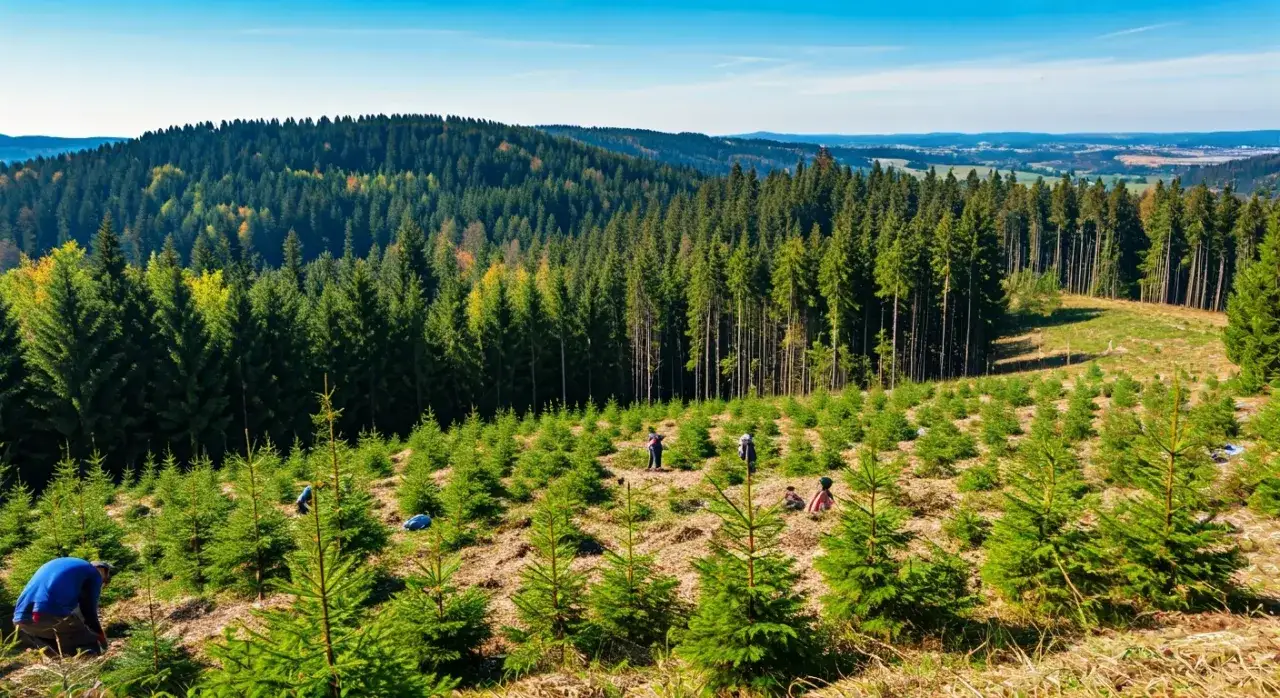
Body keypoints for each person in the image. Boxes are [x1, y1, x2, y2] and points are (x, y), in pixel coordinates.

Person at [13, 558, 113, 656]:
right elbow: (88, 611)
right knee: (87, 643)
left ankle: (60, 666)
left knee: (58, 653)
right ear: (104, 572)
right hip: (49, 613)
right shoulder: (93, 574)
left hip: (21, 619)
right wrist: (100, 636)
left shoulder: (67, 568)